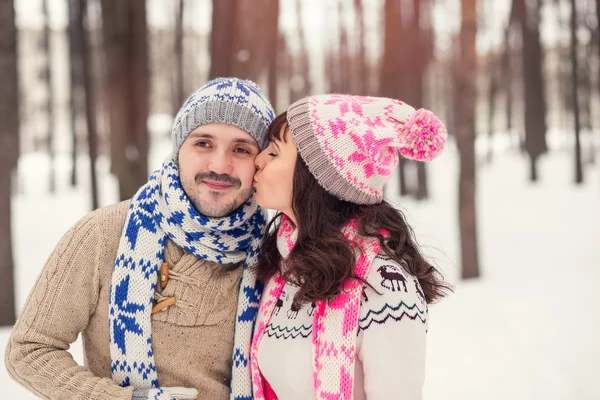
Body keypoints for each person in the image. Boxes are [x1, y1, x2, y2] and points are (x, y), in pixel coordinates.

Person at [5, 77, 275, 400]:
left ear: (259, 164)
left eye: (241, 149)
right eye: (203, 143)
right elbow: (29, 348)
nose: (219, 165)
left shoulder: (274, 256)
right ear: (178, 149)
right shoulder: (105, 234)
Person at [250, 94, 450, 399]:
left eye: (275, 153)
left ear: (316, 177)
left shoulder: (385, 289)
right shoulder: (285, 264)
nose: (258, 159)